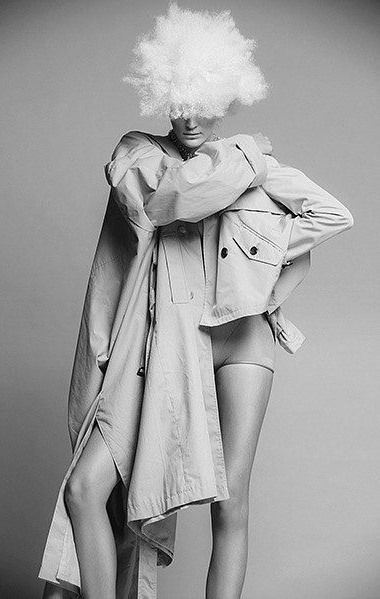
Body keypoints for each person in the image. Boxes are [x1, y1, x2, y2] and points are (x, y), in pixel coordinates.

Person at [38, 5, 353, 599]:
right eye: (180, 102)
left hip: (242, 340)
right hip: (161, 349)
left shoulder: (253, 164)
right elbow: (168, 201)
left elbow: (333, 214)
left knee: (231, 503)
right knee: (87, 490)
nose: (190, 118)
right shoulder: (141, 154)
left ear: (227, 97)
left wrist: (256, 260)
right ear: (162, 96)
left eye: (205, 103)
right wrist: (246, 158)